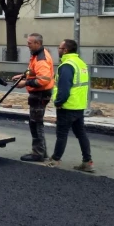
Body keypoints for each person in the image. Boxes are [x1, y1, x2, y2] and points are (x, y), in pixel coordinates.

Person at [45, 39, 94, 172]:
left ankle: (55, 159)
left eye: (59, 48)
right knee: (81, 133)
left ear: (65, 50)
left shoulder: (66, 66)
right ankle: (87, 161)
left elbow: (64, 88)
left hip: (67, 106)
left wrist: (58, 102)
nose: (58, 50)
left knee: (62, 134)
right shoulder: (81, 63)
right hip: (79, 105)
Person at [13, 33, 55, 162]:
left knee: (36, 124)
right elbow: (33, 71)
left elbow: (42, 80)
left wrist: (25, 83)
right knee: (35, 122)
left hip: (40, 94)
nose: (27, 45)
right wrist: (24, 75)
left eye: (30, 43)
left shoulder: (41, 59)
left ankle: (38, 154)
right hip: (41, 94)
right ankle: (42, 151)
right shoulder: (37, 55)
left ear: (37, 43)